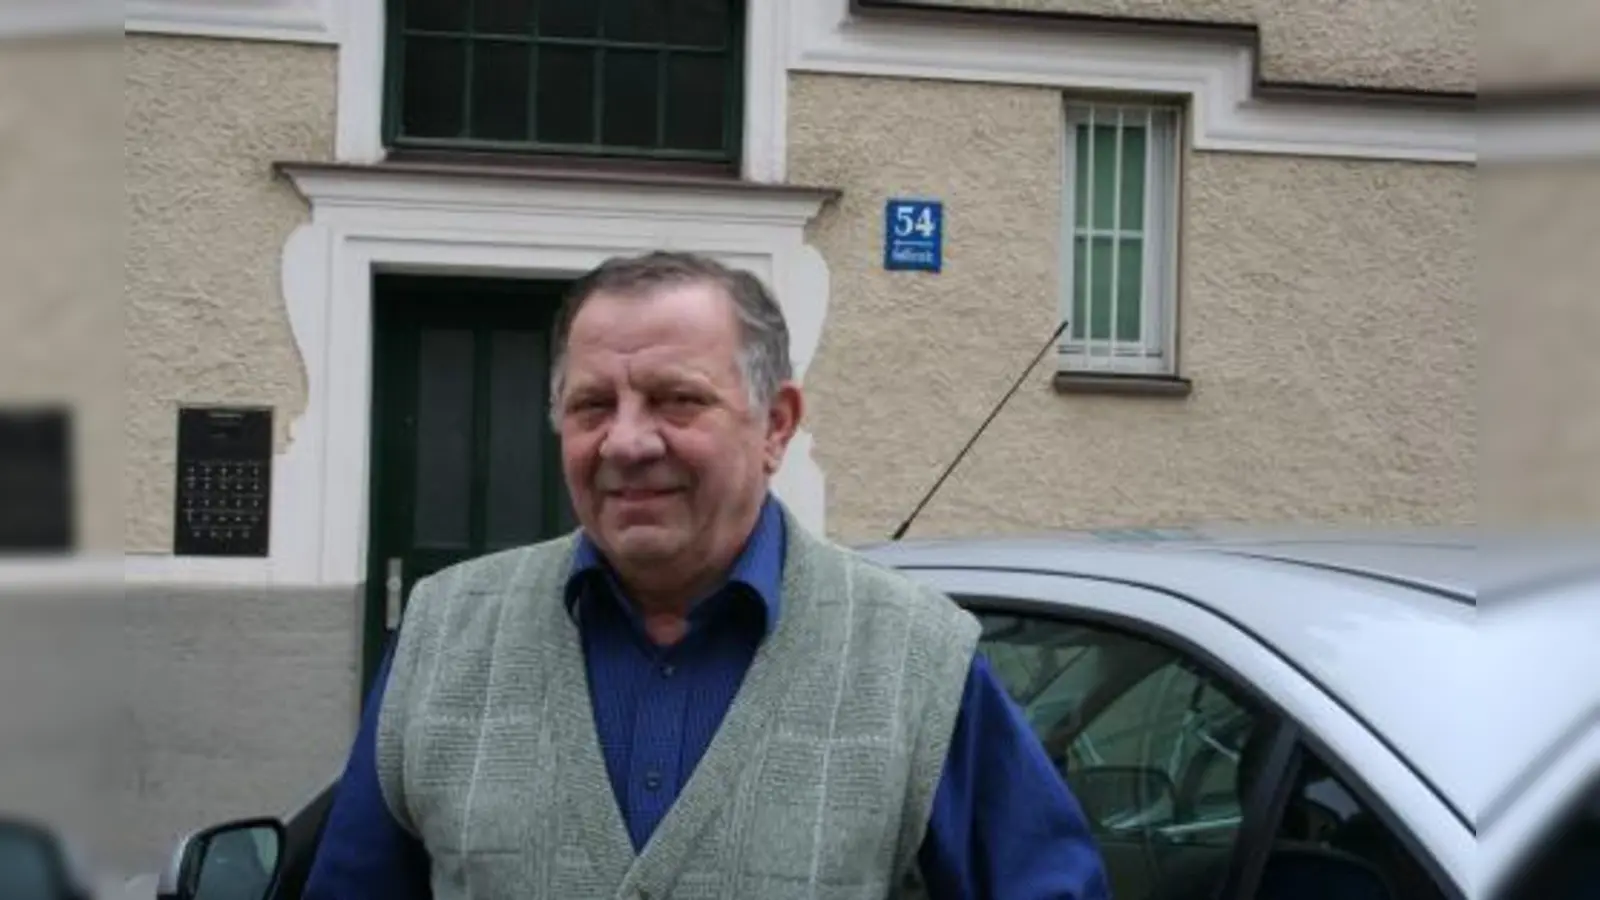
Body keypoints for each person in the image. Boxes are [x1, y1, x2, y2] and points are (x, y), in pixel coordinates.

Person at [303, 251, 1110, 899]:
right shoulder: (445, 635)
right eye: (591, 406)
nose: (625, 442)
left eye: (674, 401)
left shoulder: (915, 660)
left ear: (776, 425)